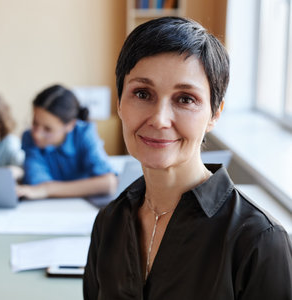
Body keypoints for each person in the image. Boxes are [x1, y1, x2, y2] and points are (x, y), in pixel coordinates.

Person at [83, 17, 292, 299]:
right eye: (142, 93)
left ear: (215, 114)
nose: (159, 119)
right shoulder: (110, 222)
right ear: (120, 103)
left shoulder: (259, 240)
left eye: (185, 99)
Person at [17, 84, 117, 199]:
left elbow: (109, 183)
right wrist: (43, 189)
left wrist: (47, 189)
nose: (37, 134)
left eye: (47, 129)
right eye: (35, 123)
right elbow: (37, 183)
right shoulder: (29, 138)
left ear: (70, 125)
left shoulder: (84, 133)